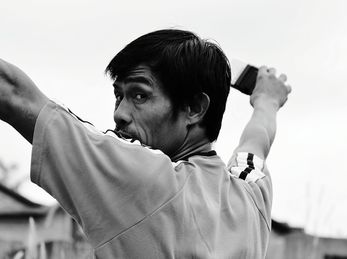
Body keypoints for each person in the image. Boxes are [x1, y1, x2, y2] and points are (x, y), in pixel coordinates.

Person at [0, 29, 290, 258]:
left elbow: (13, 94)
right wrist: (267, 100)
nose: (119, 114)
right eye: (119, 96)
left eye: (140, 95)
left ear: (194, 108)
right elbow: (257, 139)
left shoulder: (144, 180)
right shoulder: (253, 194)